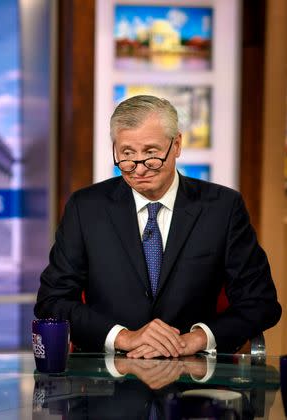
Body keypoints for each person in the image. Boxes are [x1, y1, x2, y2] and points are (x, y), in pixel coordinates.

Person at [35, 95, 281, 358]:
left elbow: (261, 304)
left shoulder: (222, 207)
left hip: (194, 377)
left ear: (176, 145)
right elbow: (52, 302)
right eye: (127, 154)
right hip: (108, 378)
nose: (139, 169)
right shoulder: (85, 208)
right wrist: (124, 337)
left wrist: (196, 339)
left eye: (151, 154)